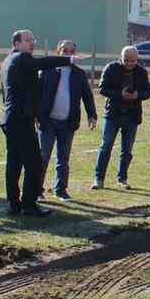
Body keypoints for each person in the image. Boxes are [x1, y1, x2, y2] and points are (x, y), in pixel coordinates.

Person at [0, 29, 74, 216]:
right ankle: (29, 205)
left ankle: (13, 203)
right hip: (20, 120)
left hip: (11, 118)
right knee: (34, 162)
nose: (32, 43)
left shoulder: (8, 60)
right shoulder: (21, 59)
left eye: (33, 39)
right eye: (27, 40)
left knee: (14, 163)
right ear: (16, 44)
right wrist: (69, 60)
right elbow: (42, 63)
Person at [36, 39, 97, 200]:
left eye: (71, 51)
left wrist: (92, 115)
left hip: (68, 123)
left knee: (63, 158)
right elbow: (37, 95)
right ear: (58, 52)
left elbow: (87, 96)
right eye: (65, 51)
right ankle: (37, 190)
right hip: (47, 121)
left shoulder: (79, 74)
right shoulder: (46, 71)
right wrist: (36, 116)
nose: (68, 54)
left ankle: (60, 190)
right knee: (42, 157)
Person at [93, 45, 150, 189]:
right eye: (126, 60)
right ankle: (98, 179)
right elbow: (102, 89)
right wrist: (120, 94)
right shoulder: (111, 68)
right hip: (113, 114)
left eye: (133, 61)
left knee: (127, 151)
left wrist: (138, 95)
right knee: (106, 147)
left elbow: (148, 92)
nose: (129, 63)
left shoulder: (142, 72)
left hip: (132, 116)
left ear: (137, 59)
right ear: (121, 57)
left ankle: (122, 179)